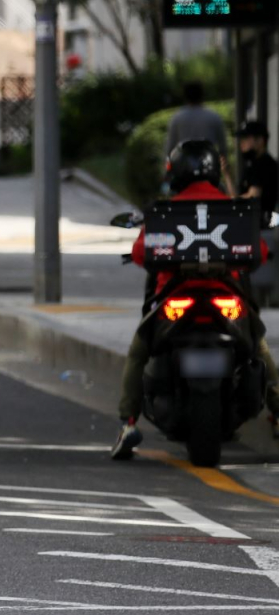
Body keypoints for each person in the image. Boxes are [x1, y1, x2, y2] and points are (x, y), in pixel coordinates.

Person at [112, 141, 279, 459]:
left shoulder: (167, 210)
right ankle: (277, 412)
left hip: (175, 298)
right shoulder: (232, 210)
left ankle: (128, 425)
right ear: (215, 172)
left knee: (138, 350)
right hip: (226, 298)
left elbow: (140, 251)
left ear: (175, 173)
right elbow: (260, 251)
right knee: (259, 346)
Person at [166, 82, 228, 159]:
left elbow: (170, 146)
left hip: (184, 164)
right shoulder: (213, 116)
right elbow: (223, 146)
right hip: (208, 162)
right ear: (202, 95)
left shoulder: (177, 118)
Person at [238, 121, 278, 216]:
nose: (242, 143)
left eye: (246, 138)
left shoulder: (265, 163)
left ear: (260, 140)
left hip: (261, 225)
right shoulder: (251, 164)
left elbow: (254, 195)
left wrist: (230, 200)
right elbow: (240, 193)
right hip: (251, 223)